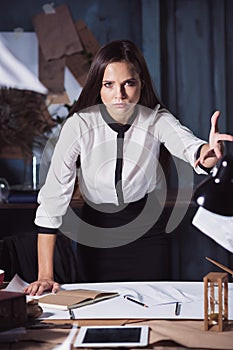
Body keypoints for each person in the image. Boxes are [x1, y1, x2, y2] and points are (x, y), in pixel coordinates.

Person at [25, 39, 233, 296]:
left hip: (147, 234)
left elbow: (192, 149)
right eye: (109, 85)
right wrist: (45, 275)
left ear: (141, 83)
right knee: (98, 311)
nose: (119, 95)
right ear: (98, 87)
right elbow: (53, 200)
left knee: (155, 310)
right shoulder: (79, 125)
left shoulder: (157, 119)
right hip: (96, 235)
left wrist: (210, 153)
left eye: (128, 84)